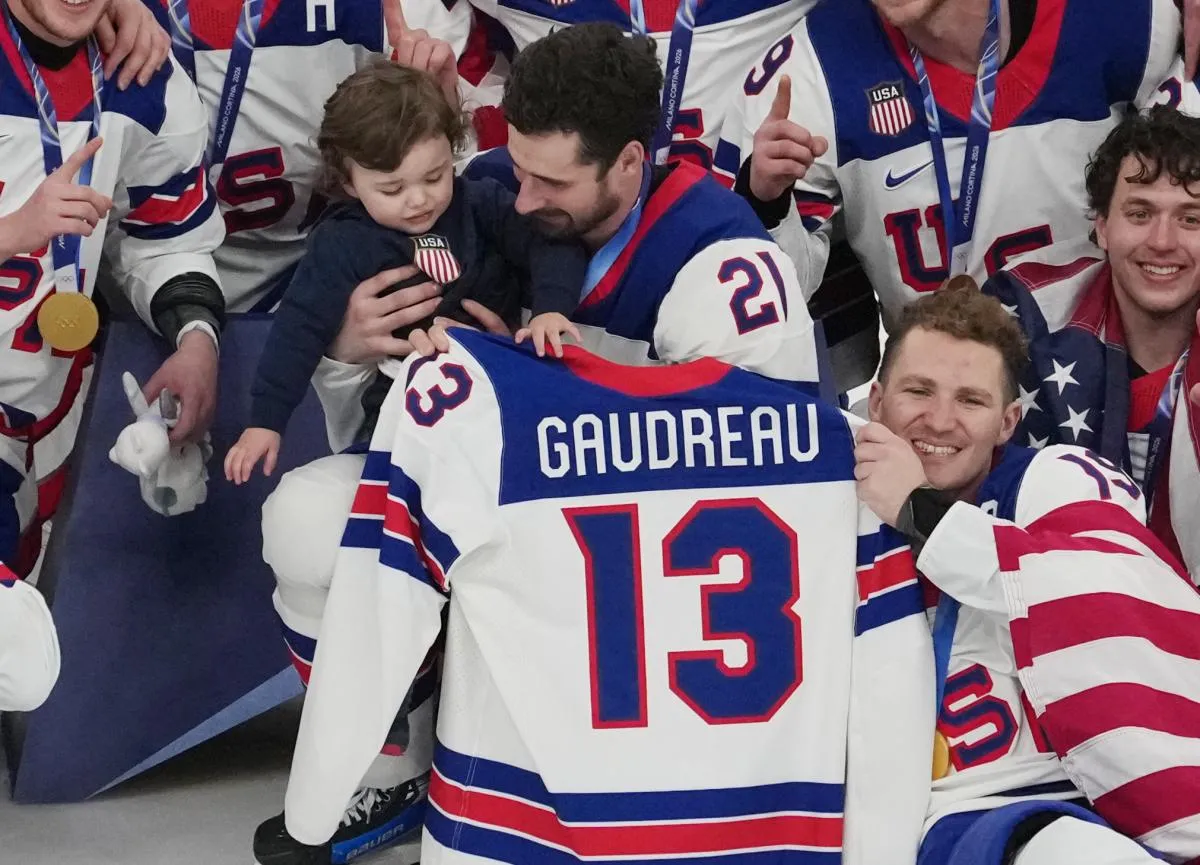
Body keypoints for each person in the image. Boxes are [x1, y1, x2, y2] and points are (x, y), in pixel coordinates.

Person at [254, 24, 827, 864]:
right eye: (515, 167)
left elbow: (776, 493)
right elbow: (392, 443)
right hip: (504, 533)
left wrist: (543, 383)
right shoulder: (481, 189)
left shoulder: (722, 259)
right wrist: (349, 351)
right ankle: (393, 766)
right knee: (305, 517)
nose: (519, 198)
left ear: (631, 164)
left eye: (549, 180)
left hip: (652, 608)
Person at [283, 327, 934, 863]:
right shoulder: (845, 457)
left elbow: (382, 594)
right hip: (759, 835)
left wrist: (314, 801)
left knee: (304, 520)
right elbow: (890, 681)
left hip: (521, 834)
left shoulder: (474, 401)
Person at [855, 283, 1200, 864]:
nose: (940, 421)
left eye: (971, 400)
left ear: (1009, 420)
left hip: (1074, 796)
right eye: (918, 391)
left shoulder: (1055, 477)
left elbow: (1103, 590)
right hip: (932, 813)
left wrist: (919, 511)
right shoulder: (819, 502)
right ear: (875, 400)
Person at [718, 0, 1181, 331]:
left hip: (1104, 377)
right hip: (941, 405)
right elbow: (778, 296)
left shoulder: (1131, 18)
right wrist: (765, 203)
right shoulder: (805, 72)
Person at [224, 62, 584, 484]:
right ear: (349, 182)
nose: (418, 200)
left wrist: (550, 310)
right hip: (402, 407)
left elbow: (551, 242)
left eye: (434, 177)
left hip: (504, 393)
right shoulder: (342, 243)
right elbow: (297, 329)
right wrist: (265, 422)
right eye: (392, 190)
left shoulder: (478, 202)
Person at [0, 0, 228, 572]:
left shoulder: (141, 69)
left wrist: (196, 338)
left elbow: (168, 238)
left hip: (53, 406)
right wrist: (11, 232)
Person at [982, 106, 1200, 585]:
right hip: (1062, 619)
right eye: (1140, 213)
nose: (1163, 241)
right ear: (1101, 225)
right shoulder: (1025, 319)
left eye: (1191, 218)